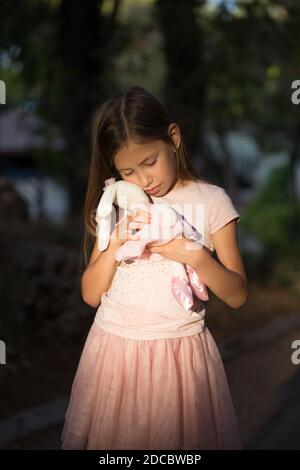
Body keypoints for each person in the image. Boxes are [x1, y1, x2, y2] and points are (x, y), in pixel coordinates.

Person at [60, 85, 247, 450]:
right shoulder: (118, 201)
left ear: (173, 138)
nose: (144, 180)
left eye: (150, 162)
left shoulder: (212, 202)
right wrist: (114, 241)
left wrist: (193, 255)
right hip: (114, 351)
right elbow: (90, 295)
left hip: (180, 357)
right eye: (128, 170)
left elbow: (238, 296)